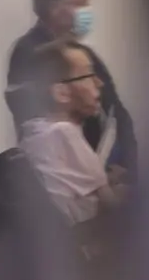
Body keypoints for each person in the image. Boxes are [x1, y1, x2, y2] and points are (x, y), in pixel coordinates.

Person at [6, 0, 137, 183]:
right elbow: (40, 125)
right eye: (79, 4)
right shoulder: (28, 54)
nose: (87, 11)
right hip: (66, 184)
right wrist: (94, 175)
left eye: (88, 3)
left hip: (107, 179)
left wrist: (128, 169)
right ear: (53, 7)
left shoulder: (84, 54)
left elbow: (116, 112)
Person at [17, 40, 127, 226]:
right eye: (88, 75)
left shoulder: (35, 133)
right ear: (61, 93)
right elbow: (110, 204)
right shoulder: (63, 133)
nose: (99, 83)